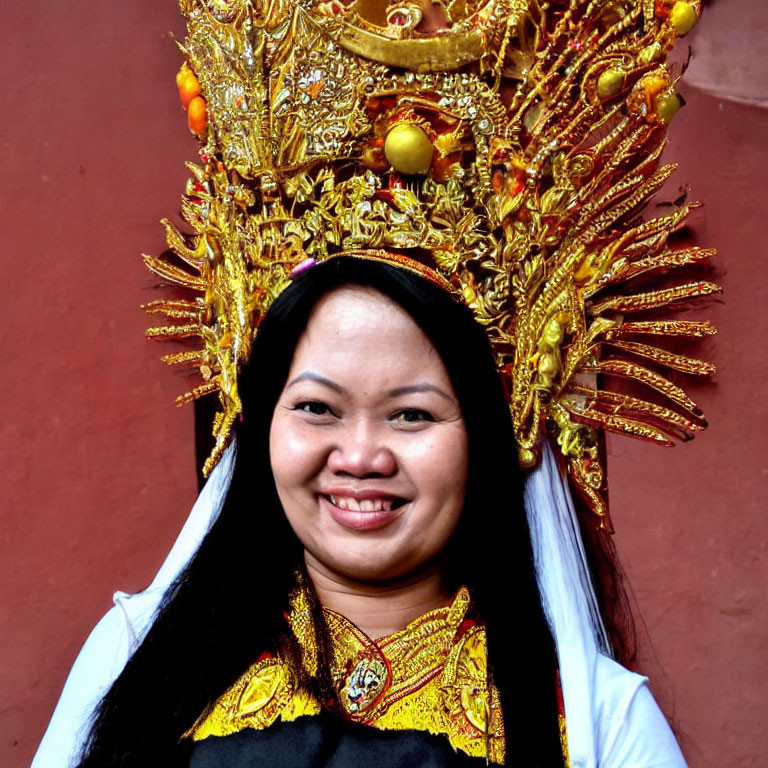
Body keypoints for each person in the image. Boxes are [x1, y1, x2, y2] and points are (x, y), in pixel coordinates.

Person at [33, 258, 687, 768]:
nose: (361, 457)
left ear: (486, 441)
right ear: (260, 428)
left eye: (412, 415)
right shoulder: (136, 653)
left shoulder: (596, 714)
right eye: (317, 408)